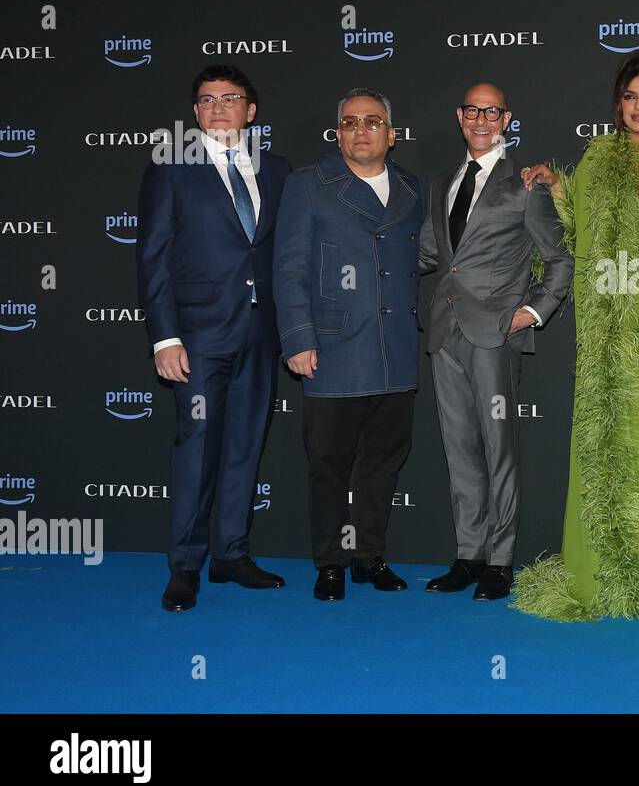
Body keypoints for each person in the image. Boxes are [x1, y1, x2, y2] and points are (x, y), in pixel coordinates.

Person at [513, 49, 639, 620]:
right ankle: (601, 565)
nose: (638, 107)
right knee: (611, 435)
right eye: (629, 97)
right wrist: (555, 188)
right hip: (611, 319)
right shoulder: (599, 158)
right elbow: (574, 231)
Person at [136, 64, 292, 612]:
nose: (218, 108)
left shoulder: (276, 170)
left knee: (245, 446)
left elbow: (283, 258)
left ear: (251, 110)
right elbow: (152, 255)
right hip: (198, 336)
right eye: (206, 100)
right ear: (195, 112)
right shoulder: (171, 166)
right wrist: (164, 337)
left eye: (230, 99)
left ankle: (230, 554)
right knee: (198, 445)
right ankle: (185, 565)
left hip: (261, 333)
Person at [418, 83, 573, 602]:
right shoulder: (442, 183)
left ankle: (500, 561)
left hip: (494, 335)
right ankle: (469, 554)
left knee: (498, 448)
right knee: (458, 448)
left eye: (492, 111)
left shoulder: (526, 184)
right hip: (445, 332)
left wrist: (532, 312)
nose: (481, 119)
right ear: (460, 116)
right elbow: (429, 254)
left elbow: (560, 258)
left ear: (506, 119)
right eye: (472, 110)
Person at [273, 88, 424, 602]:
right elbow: (288, 268)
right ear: (337, 132)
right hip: (333, 349)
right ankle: (330, 564)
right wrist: (297, 337)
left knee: (382, 464)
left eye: (373, 121)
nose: (362, 130)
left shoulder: (411, 189)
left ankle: (368, 558)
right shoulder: (307, 186)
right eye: (351, 122)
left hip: (396, 351)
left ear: (392, 134)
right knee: (330, 467)